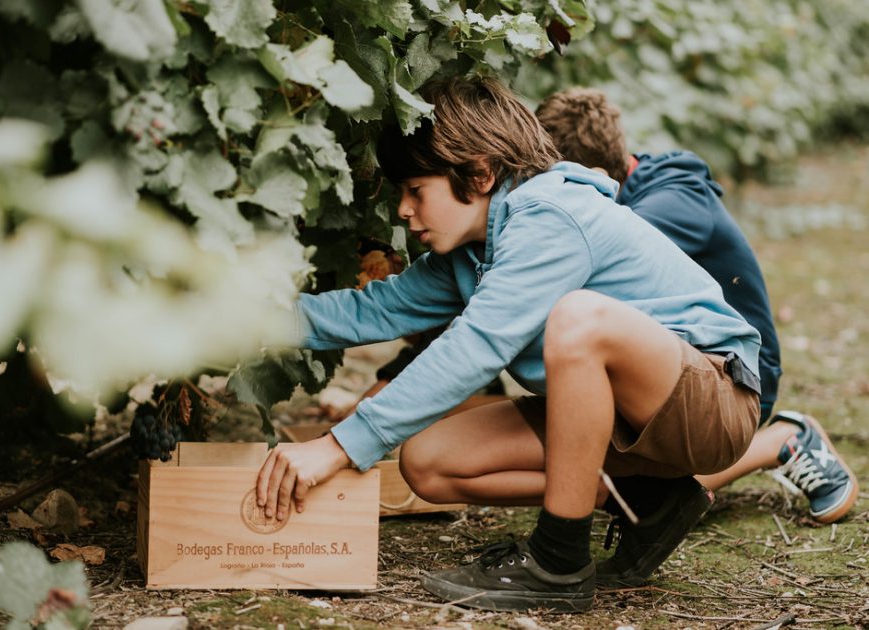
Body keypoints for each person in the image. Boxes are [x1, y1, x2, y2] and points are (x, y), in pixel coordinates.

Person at [254, 76, 762, 612]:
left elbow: (476, 346)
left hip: (713, 399)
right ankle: (649, 499)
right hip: (624, 423)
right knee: (427, 462)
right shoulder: (470, 252)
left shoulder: (550, 216)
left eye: (415, 191)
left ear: (478, 172)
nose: (403, 210)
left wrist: (336, 446)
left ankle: (558, 560)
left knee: (578, 319)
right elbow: (372, 310)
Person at [345, 87, 859, 531]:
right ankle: (640, 501)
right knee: (438, 432)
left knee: (571, 321)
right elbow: (490, 301)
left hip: (729, 381)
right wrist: (397, 375)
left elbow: (505, 313)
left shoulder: (630, 214)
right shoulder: (531, 227)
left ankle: (778, 441)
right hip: (625, 387)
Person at [535, 87, 858, 529]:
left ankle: (781, 440)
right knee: (582, 461)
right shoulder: (628, 193)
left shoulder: (667, 205)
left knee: (635, 486)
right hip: (677, 369)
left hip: (738, 381)